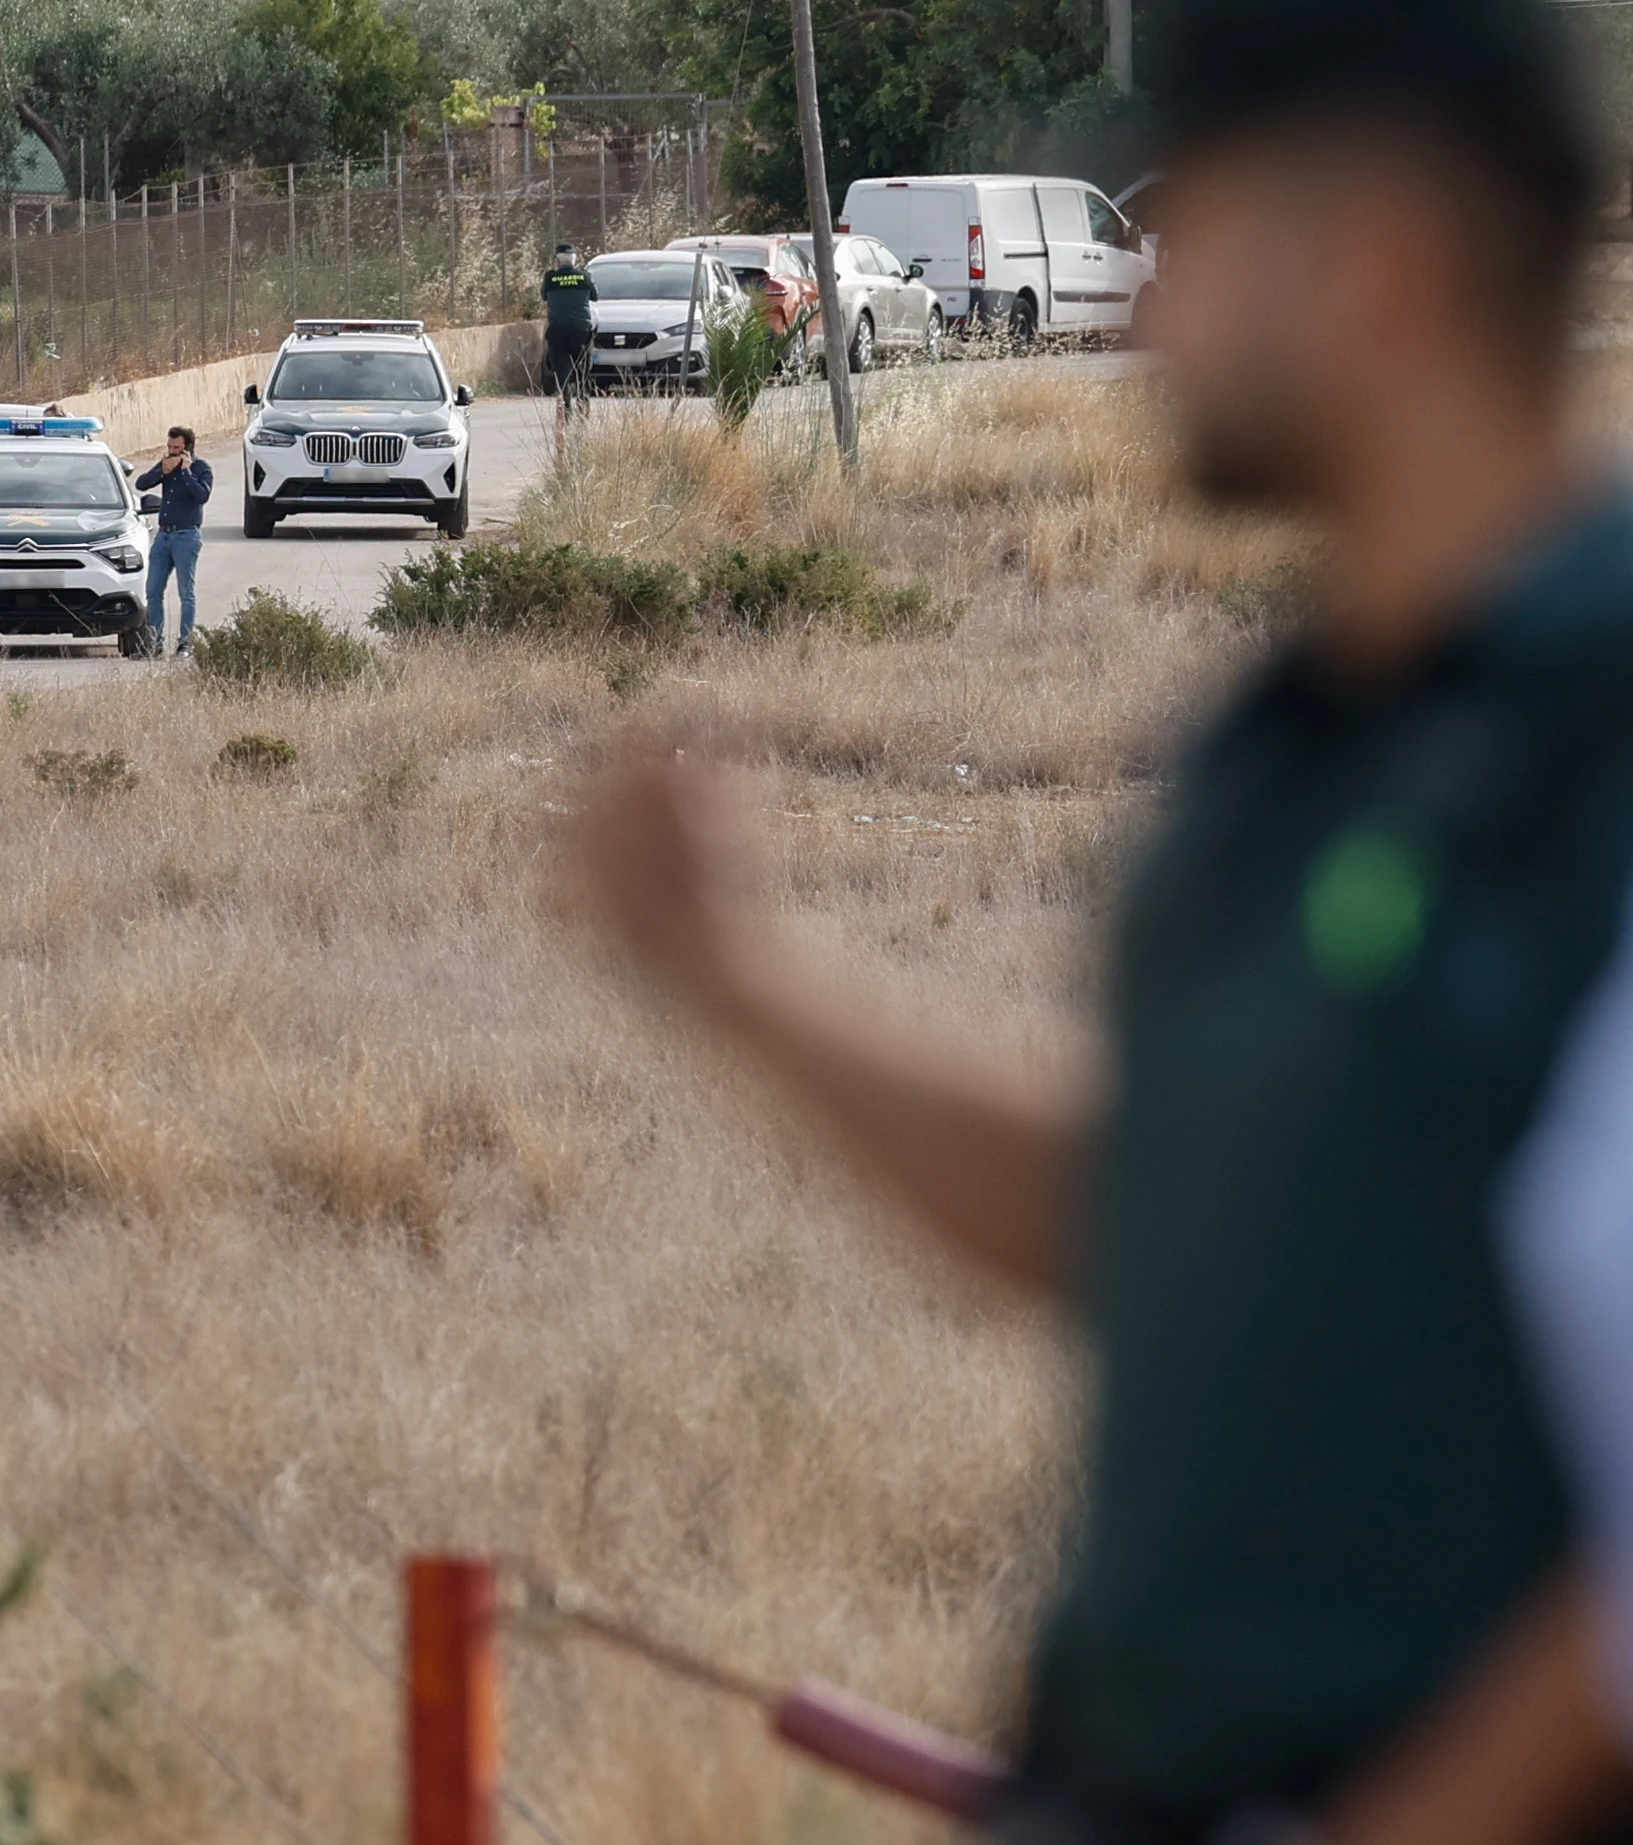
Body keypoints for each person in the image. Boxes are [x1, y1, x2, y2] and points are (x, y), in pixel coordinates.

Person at [580, 3, 1633, 1840]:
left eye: (1193, 244)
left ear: (1380, 267)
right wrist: (739, 979)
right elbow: (1151, 1209)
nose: (1143, 319)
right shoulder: (1287, 746)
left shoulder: (1601, 739)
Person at [133, 427, 210, 655]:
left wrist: (186, 472)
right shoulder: (166, 465)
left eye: (177, 448)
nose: (172, 452)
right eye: (169, 447)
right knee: (153, 590)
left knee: (186, 592)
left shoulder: (201, 469)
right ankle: (154, 645)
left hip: (187, 535)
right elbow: (141, 484)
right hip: (164, 535)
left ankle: (185, 643)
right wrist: (161, 472)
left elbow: (202, 496)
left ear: (188, 448)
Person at [541, 243, 594, 414]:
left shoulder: (550, 279)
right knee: (582, 369)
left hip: (558, 330)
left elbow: (543, 296)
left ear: (557, 260)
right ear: (574, 259)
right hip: (581, 329)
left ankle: (565, 406)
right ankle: (583, 403)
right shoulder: (584, 277)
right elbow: (595, 296)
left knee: (561, 369)